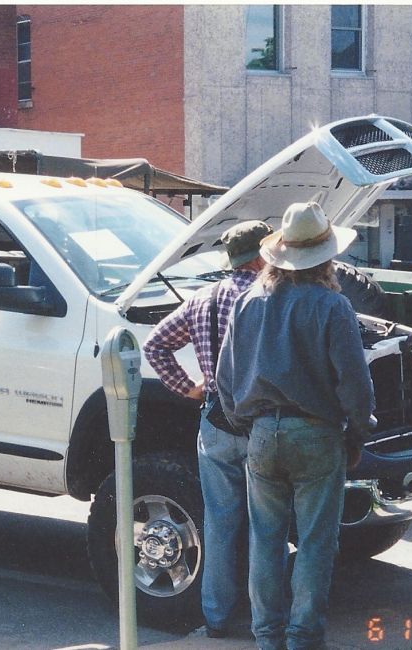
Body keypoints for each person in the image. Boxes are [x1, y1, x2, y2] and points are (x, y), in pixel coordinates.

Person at [216, 202, 374, 650]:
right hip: (318, 434)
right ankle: (303, 637)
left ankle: (268, 637)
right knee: (316, 543)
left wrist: (249, 426)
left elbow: (226, 381)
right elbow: (356, 388)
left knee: (265, 540)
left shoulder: (248, 302)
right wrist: (356, 436)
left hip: (263, 432)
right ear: (326, 257)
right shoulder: (333, 305)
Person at [142, 220, 273, 639]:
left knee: (219, 523)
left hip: (214, 419)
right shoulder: (269, 297)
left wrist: (191, 388)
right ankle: (262, 618)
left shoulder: (203, 298)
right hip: (261, 421)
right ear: (260, 256)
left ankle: (216, 616)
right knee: (265, 524)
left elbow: (155, 345)